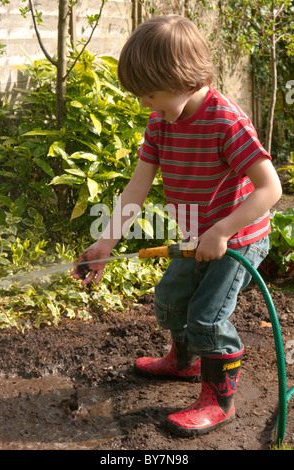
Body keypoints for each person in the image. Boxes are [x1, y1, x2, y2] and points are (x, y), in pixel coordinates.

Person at [71, 15, 282, 436]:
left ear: (181, 78)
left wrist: (221, 231)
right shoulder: (161, 123)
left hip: (238, 238)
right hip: (195, 234)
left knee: (206, 318)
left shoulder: (227, 122)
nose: (145, 105)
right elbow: (136, 188)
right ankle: (184, 362)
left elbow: (270, 188)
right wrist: (106, 243)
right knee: (169, 298)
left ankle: (220, 400)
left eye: (150, 95)